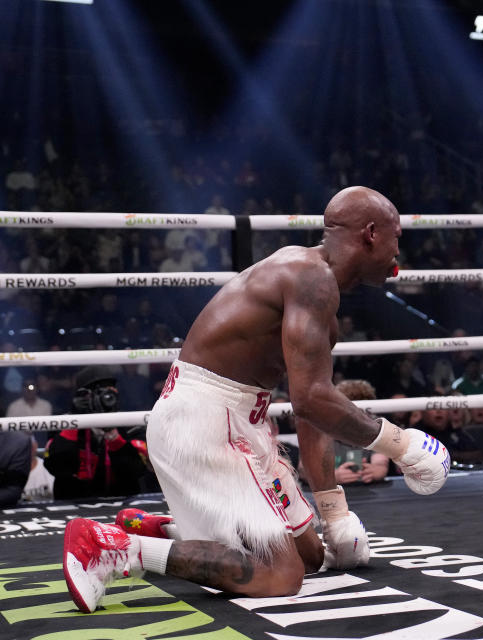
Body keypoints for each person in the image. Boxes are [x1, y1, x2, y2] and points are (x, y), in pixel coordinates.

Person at [62, 186, 451, 614]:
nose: (401, 250)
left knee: (310, 556)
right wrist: (400, 444)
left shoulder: (318, 290)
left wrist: (334, 512)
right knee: (280, 575)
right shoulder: (309, 276)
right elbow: (311, 400)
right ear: (372, 234)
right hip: (202, 422)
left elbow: (314, 411)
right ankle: (116, 549)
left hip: (238, 422)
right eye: (398, 236)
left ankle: (163, 532)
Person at [44, 366, 149, 499]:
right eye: (98, 392)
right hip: (74, 504)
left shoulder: (129, 424)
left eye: (109, 391)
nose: (105, 397)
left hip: (122, 504)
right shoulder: (62, 424)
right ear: (83, 396)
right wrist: (76, 421)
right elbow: (54, 467)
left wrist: (114, 436)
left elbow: (138, 470)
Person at [332, 379, 392, 485]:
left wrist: (376, 470)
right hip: (332, 494)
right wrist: (330, 477)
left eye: (363, 411)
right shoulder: (322, 429)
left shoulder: (377, 428)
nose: (358, 416)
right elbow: (305, 469)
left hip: (370, 493)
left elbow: (380, 462)